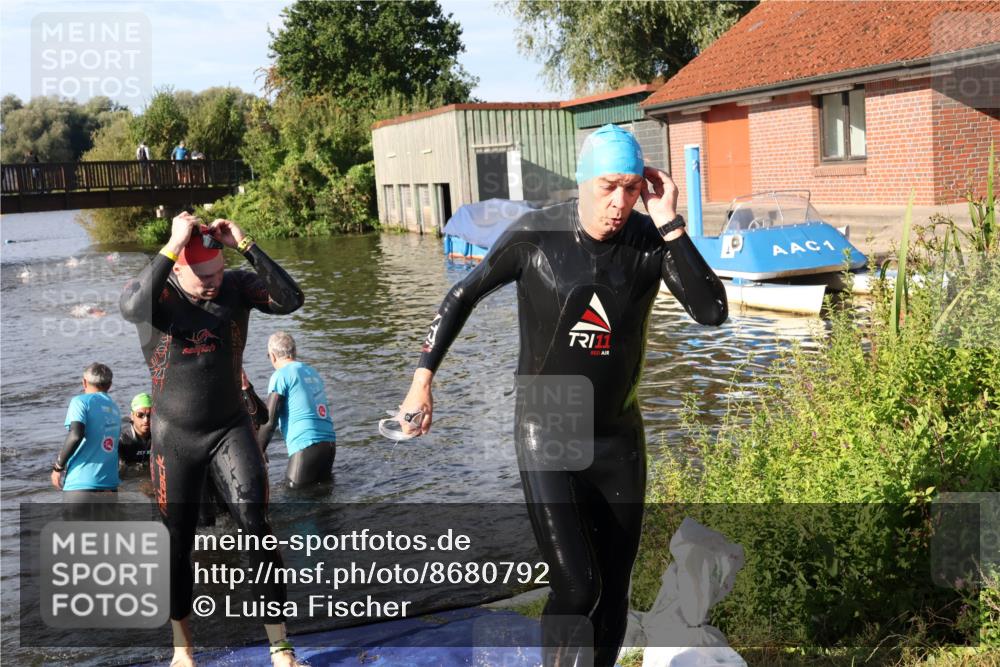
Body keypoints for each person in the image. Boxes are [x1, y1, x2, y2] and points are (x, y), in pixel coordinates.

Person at [396, 124, 728, 666]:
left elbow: (712, 312)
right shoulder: (536, 236)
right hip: (549, 422)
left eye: (629, 188)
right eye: (606, 187)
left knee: (613, 590)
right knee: (578, 586)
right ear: (581, 182)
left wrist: (669, 221)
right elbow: (463, 293)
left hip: (619, 436)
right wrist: (422, 378)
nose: (618, 203)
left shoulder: (649, 241)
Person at [119, 211, 305, 667]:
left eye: (219, 272)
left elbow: (290, 299)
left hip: (228, 427)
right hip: (175, 436)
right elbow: (130, 308)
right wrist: (173, 241)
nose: (214, 283)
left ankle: (280, 647)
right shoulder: (156, 294)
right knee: (177, 542)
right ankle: (183, 650)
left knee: (257, 529)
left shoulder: (238, 286)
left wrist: (244, 242)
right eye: (203, 276)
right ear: (178, 266)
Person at [256, 332, 336, 488]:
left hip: (305, 446)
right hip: (329, 445)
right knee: (323, 500)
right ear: (294, 352)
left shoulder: (281, 375)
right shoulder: (312, 371)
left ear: (272, 356)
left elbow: (269, 421)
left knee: (295, 499)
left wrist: (257, 451)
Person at [51, 363, 121, 503]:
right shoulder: (114, 408)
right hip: (110, 485)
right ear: (110, 384)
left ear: (84, 382)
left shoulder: (80, 402)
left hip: (81, 483)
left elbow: (75, 435)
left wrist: (58, 467)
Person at [118, 392, 152, 469]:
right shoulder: (122, 439)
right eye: (140, 415)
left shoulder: (159, 435)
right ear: (132, 416)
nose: (146, 420)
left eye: (150, 415)